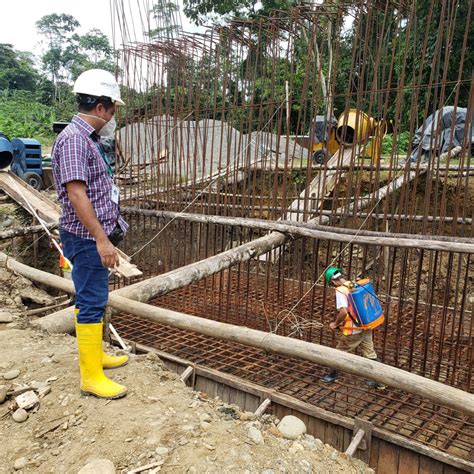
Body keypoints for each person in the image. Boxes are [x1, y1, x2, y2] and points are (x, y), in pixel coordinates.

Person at [51, 69, 129, 399]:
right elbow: (77, 195)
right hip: (85, 238)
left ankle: (95, 358)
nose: (113, 116)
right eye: (113, 109)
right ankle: (90, 377)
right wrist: (101, 238)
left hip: (90, 235)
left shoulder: (87, 140)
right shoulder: (73, 140)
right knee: (91, 300)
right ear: (101, 107)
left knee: (94, 296)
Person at [320, 267, 385, 389]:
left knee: (338, 353)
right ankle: (380, 382)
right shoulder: (352, 284)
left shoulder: (340, 291)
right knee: (370, 353)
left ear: (333, 282)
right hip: (365, 326)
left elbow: (343, 312)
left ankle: (332, 375)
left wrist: (336, 323)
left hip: (353, 330)